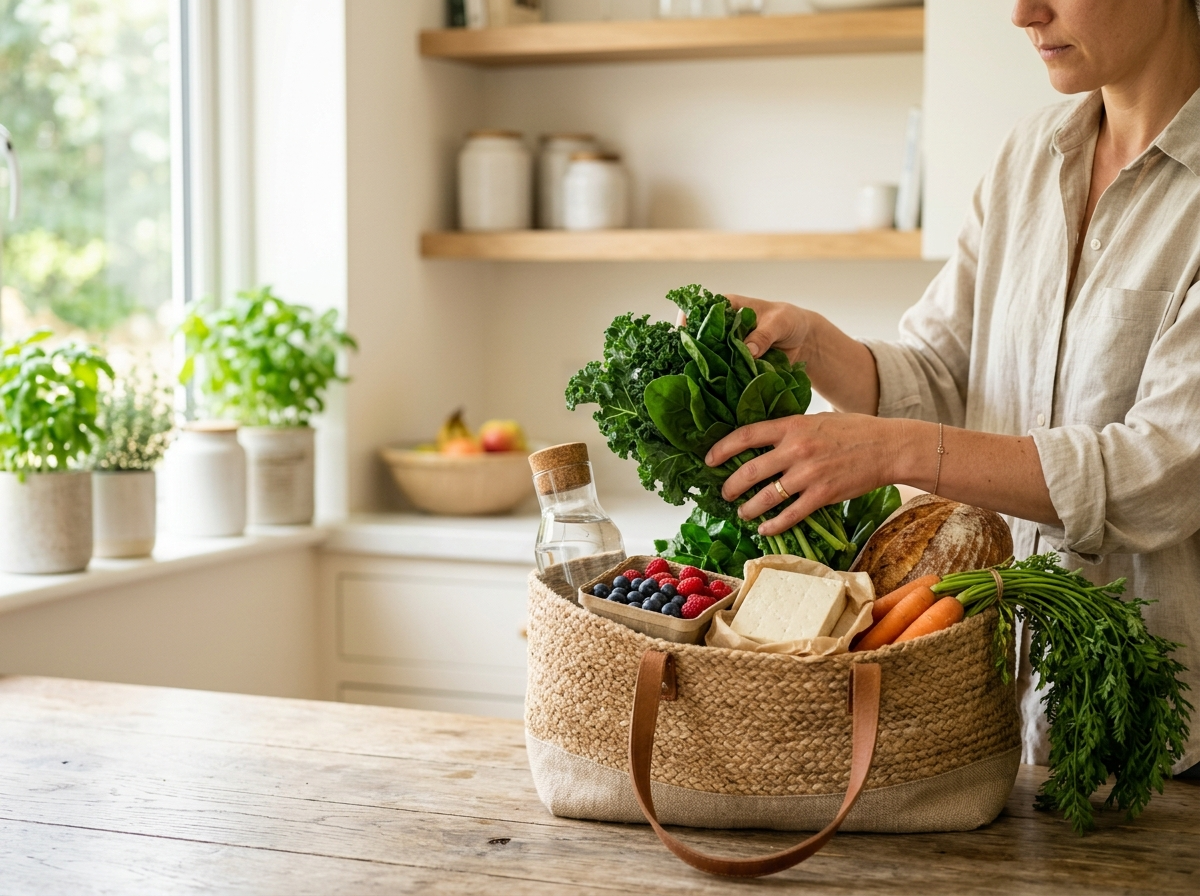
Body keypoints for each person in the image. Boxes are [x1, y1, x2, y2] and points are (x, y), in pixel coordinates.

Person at [705, 0, 1200, 778]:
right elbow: (940, 376)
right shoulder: (1028, 159)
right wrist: (817, 343)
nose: (1021, 13)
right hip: (998, 712)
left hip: (1164, 738)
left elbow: (1160, 475)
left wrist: (894, 450)